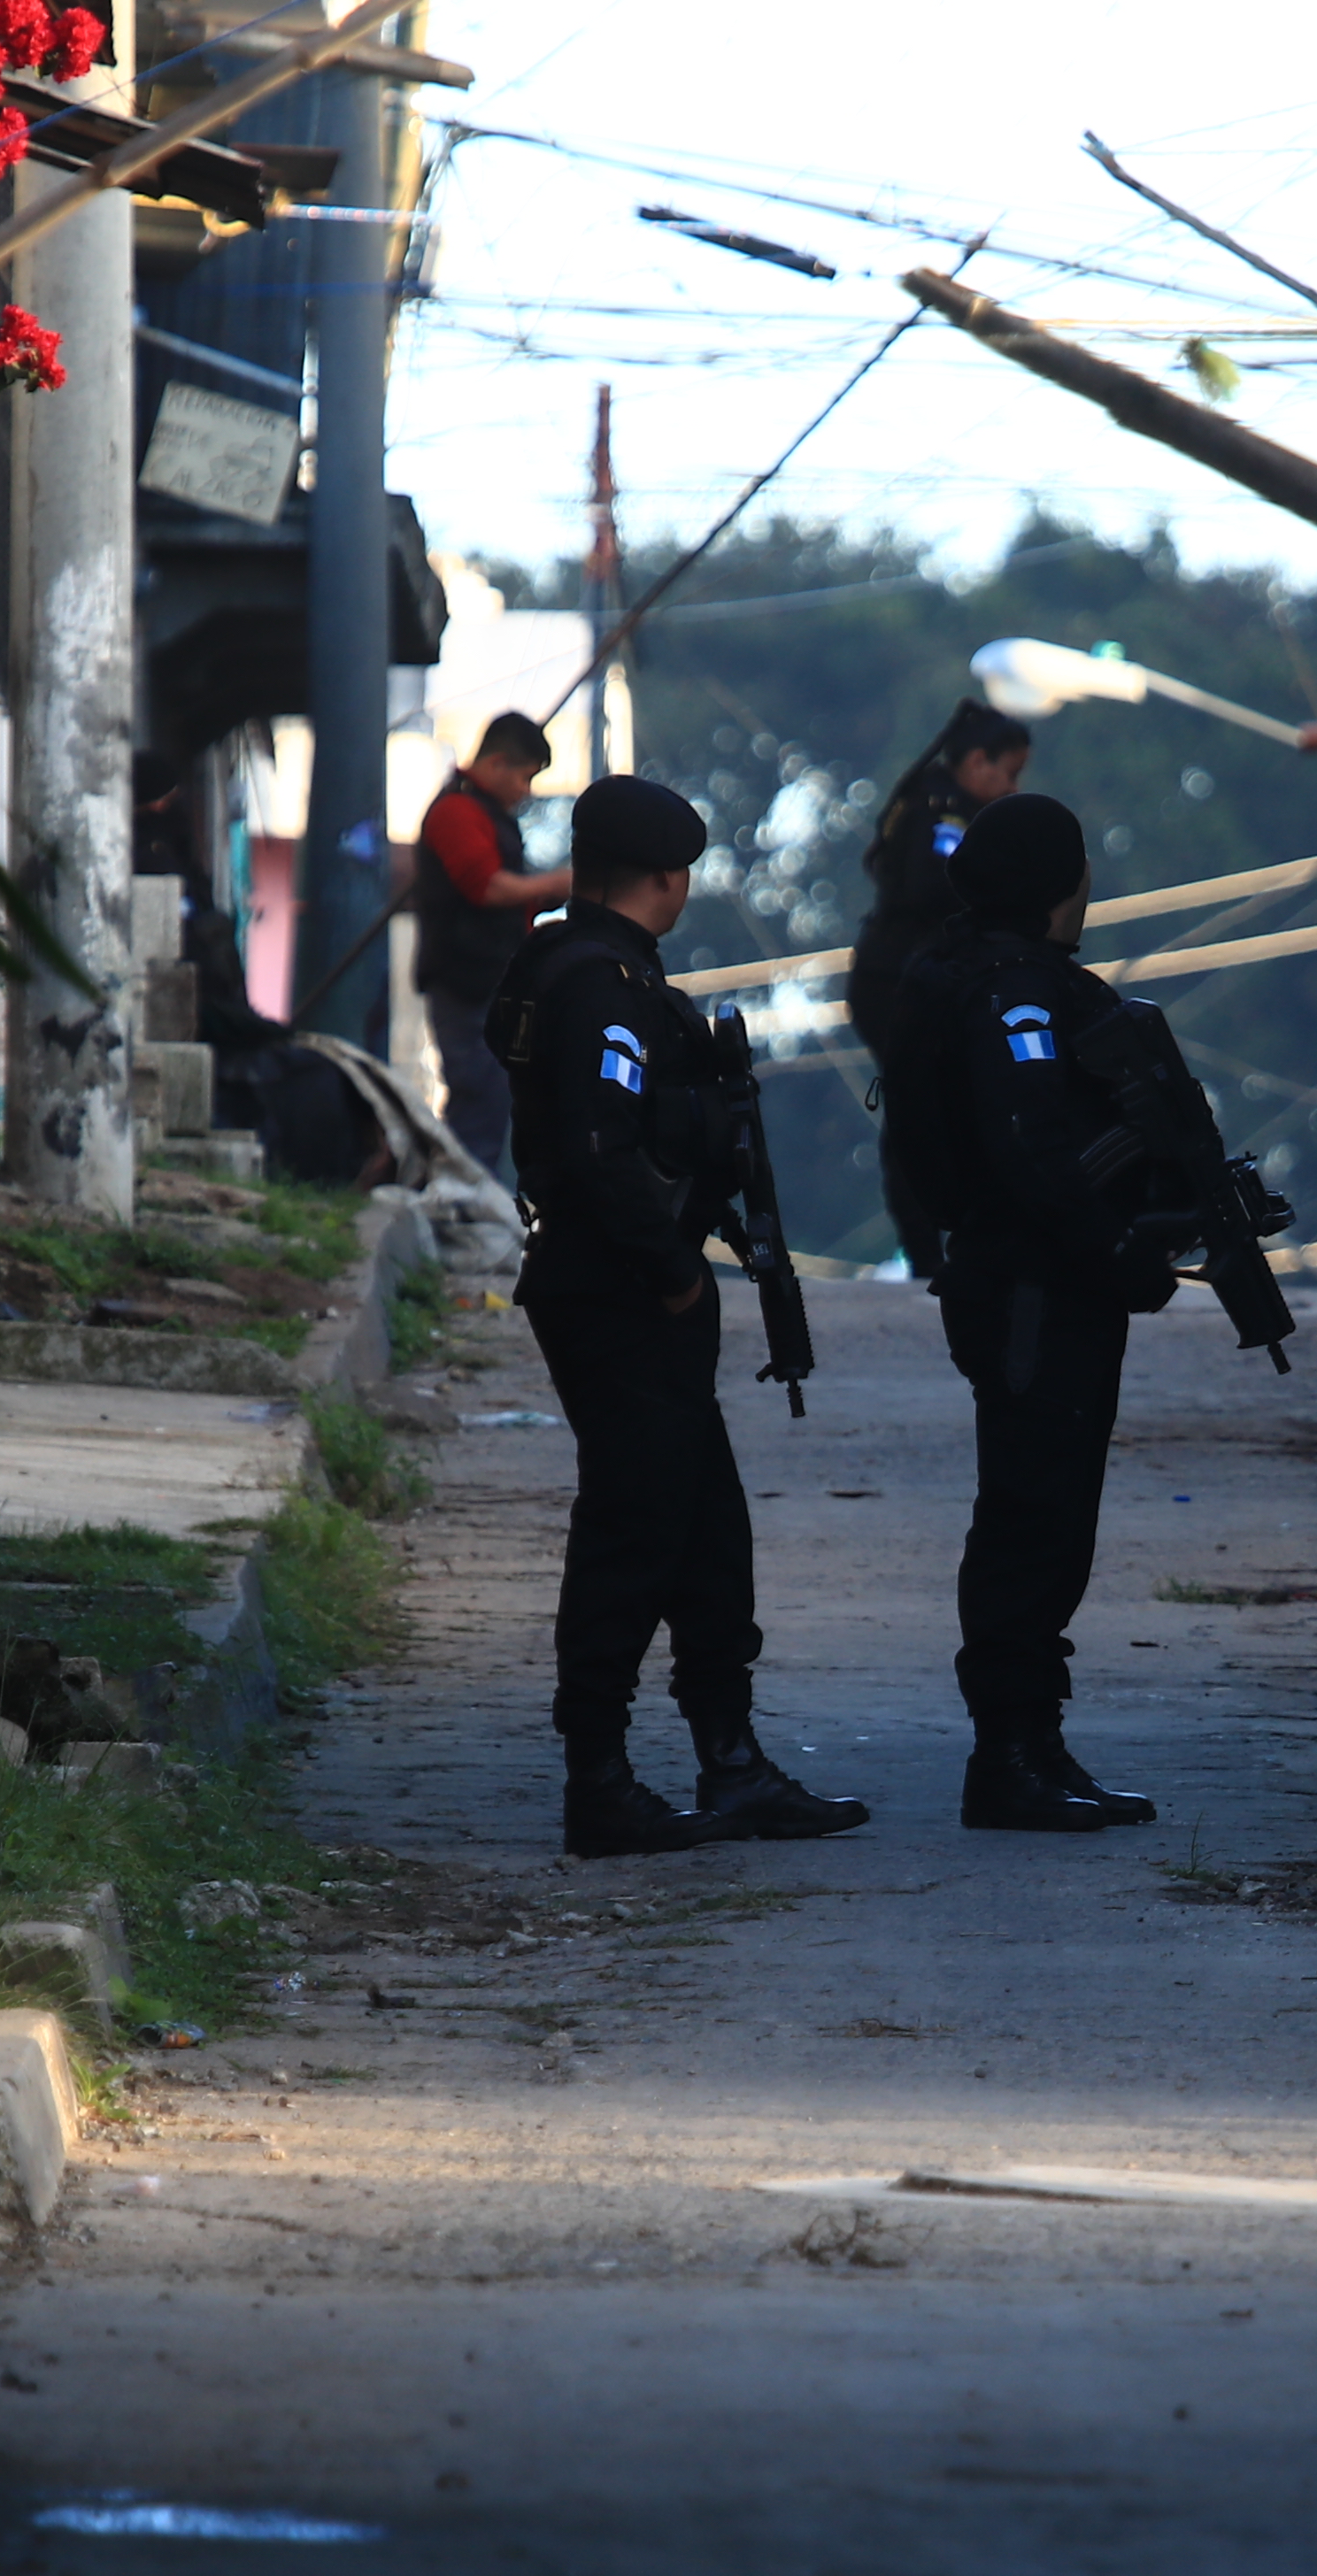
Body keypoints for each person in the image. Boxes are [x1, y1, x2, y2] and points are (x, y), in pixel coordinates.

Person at [489, 773, 869, 1858]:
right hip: (615, 1291)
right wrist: (672, 1270)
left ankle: (732, 1764)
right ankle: (598, 1783)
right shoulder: (600, 985)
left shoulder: (586, 967)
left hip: (618, 1285)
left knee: (706, 1533)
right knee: (631, 1533)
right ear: (670, 876)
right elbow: (604, 1151)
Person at [884, 789, 1175, 1836]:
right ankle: (1006, 1755)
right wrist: (1114, 1251)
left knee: (1051, 1517)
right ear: (1061, 884)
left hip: (1029, 1282)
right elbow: (1032, 1154)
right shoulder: (1012, 993)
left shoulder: (976, 972)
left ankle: (1035, 1744)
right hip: (1033, 1290)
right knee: (1029, 1516)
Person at [850, 701, 1033, 1258]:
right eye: (1008, 773)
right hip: (896, 981)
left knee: (948, 1105)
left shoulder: (937, 804)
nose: (1008, 788)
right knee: (916, 1109)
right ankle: (924, 1248)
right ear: (978, 762)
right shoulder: (943, 812)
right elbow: (933, 888)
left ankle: (950, 1240)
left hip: (919, 980)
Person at [412, 711, 574, 1179]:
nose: (526, 791)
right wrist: (551, 883)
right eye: (524, 777)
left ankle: (462, 1196)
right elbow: (486, 888)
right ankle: (455, 1202)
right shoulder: (458, 812)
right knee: (476, 1098)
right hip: (466, 982)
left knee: (491, 1099)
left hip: (490, 981)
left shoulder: (485, 815)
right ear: (498, 763)